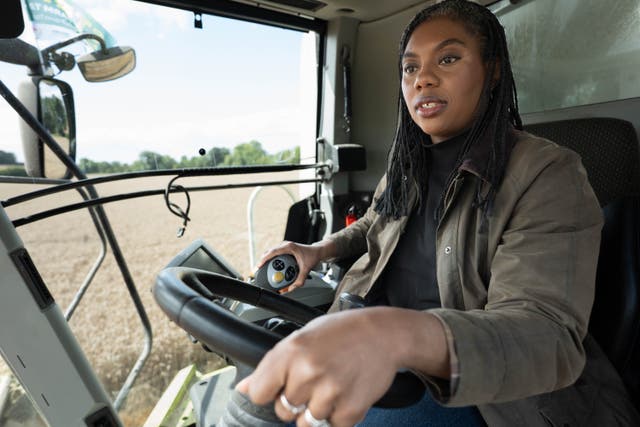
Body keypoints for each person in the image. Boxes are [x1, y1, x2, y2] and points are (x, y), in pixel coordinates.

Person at [225, 1, 638, 426]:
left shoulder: (549, 174)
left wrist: (395, 334)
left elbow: (546, 335)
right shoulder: (408, 161)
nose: (422, 78)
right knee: (250, 405)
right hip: (382, 347)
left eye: (448, 58)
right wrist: (319, 249)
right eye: (410, 68)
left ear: (493, 71)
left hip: (485, 396)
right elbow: (377, 221)